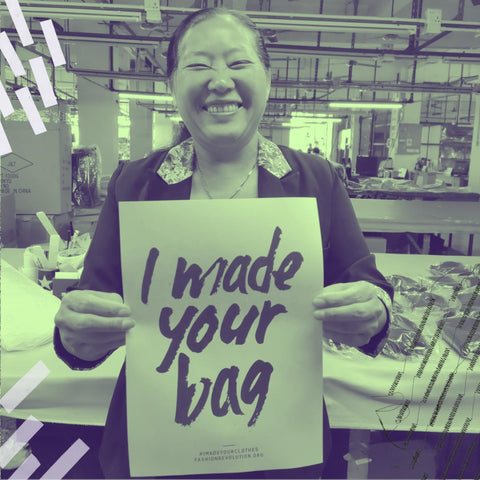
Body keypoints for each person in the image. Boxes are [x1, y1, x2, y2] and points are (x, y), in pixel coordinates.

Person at [54, 7, 393, 479]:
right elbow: (94, 309)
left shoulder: (314, 181)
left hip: (280, 444)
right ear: (172, 84)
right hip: (161, 444)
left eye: (237, 64)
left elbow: (367, 284)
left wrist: (373, 311)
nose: (220, 81)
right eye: (198, 66)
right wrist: (76, 336)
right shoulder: (136, 185)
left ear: (267, 78)